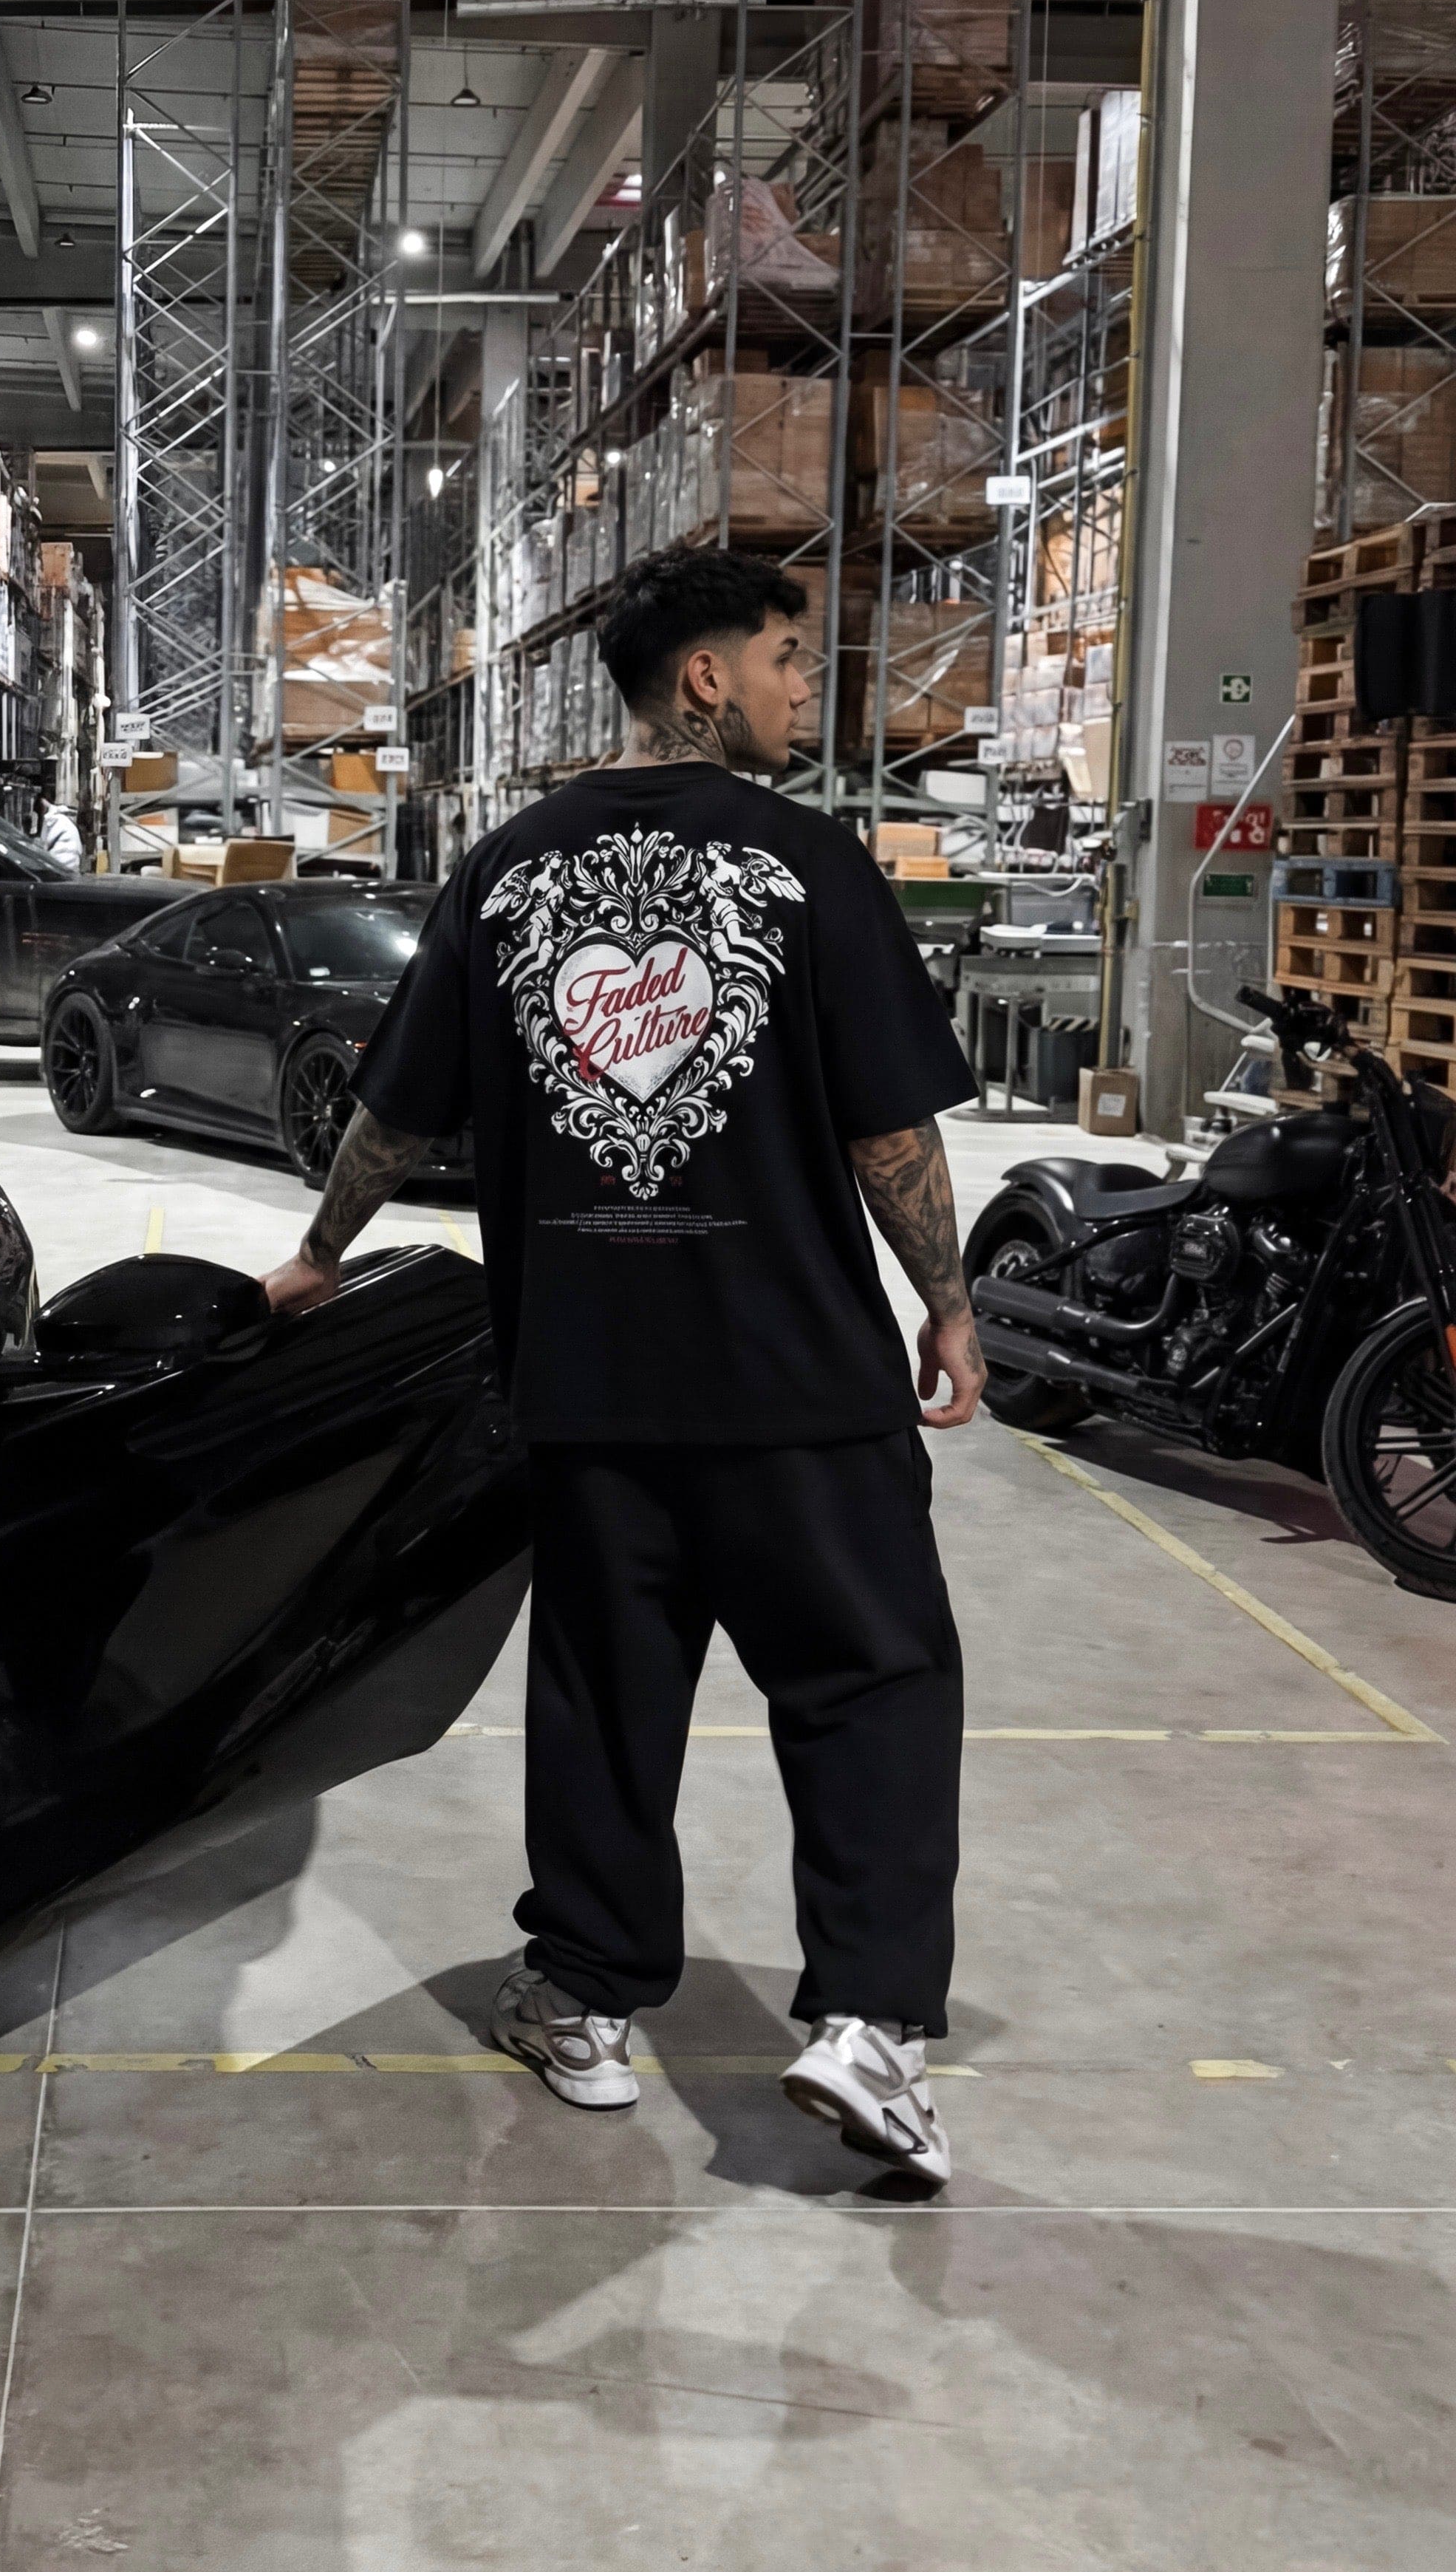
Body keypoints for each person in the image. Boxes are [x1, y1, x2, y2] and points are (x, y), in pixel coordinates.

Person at [263, 545, 983, 2191]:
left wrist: (322, 1248)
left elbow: (398, 1107)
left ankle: (584, 1994)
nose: (812, 684)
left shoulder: (506, 873)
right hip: (799, 1383)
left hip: (586, 1382)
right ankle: (870, 2025)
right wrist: (945, 1298)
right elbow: (888, 1125)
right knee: (870, 1684)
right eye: (790, 654)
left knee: (604, 1691)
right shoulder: (812, 864)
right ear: (705, 678)